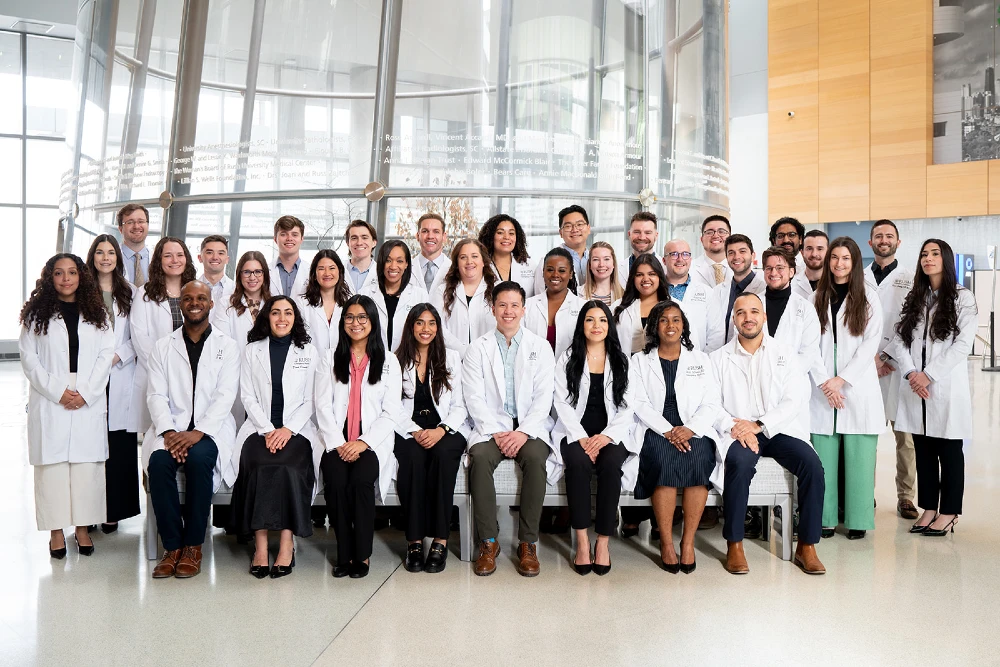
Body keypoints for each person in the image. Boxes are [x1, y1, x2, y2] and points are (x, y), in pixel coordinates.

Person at [710, 293, 826, 575]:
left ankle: (807, 545)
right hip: (739, 432)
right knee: (739, 464)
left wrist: (759, 425)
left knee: (813, 466)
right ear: (734, 320)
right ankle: (734, 543)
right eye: (741, 313)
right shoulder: (717, 358)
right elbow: (710, 403)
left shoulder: (785, 355)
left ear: (764, 317)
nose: (748, 317)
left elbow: (794, 400)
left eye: (754, 312)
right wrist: (737, 426)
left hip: (778, 429)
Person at [20, 254, 115, 559]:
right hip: (51, 396)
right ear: (50, 277)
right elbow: (29, 358)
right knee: (53, 468)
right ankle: (57, 532)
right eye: (59, 273)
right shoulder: (36, 315)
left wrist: (84, 392)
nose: (65, 279)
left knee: (86, 467)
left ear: (80, 276)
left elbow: (106, 355)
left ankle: (84, 529)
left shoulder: (97, 311)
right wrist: (58, 392)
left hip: (87, 395)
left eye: (71, 272)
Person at [143, 281, 240, 579]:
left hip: (211, 430)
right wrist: (169, 431)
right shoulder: (163, 346)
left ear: (211, 304)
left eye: (201, 298)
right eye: (188, 298)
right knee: (158, 463)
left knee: (199, 460)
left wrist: (200, 432)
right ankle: (172, 547)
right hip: (171, 428)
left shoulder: (227, 346)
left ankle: (194, 545)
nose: (194, 302)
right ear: (181, 304)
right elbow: (155, 395)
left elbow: (226, 396)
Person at [884, 239, 977, 537]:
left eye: (935, 254)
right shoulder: (916, 297)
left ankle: (949, 511)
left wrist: (929, 375)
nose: (928, 259)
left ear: (946, 260)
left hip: (943, 387)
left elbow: (962, 345)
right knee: (923, 450)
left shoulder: (963, 298)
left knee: (949, 451)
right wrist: (912, 373)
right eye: (924, 254)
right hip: (915, 387)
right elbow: (898, 338)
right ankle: (929, 508)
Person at [463, 281, 556, 577]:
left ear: (524, 310)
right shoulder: (477, 348)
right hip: (491, 429)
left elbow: (544, 396)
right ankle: (488, 543)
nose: (508, 311)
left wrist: (524, 431)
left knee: (536, 459)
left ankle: (528, 544)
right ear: (492, 309)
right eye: (502, 305)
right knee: (478, 458)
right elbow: (473, 396)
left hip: (529, 428)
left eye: (515, 305)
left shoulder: (539, 347)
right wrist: (496, 432)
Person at [229, 296, 321, 578]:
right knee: (259, 466)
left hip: (297, 430)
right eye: (276, 313)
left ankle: (285, 544)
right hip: (260, 429)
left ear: (296, 318)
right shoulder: (252, 350)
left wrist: (287, 429)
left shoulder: (309, 351)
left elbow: (310, 400)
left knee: (289, 468)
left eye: (288, 313)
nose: (282, 318)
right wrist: (269, 429)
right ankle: (259, 546)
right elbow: (247, 395)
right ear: (267, 317)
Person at [315, 295, 402, 578]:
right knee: (337, 481)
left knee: (362, 480)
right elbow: (322, 405)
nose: (356, 323)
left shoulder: (388, 360)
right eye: (350, 317)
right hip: (336, 440)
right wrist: (339, 443)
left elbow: (391, 411)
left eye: (362, 317)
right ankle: (344, 552)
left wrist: (363, 443)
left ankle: (362, 554)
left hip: (370, 443)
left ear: (373, 322)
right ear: (343, 323)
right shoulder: (329, 357)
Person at [631, 301, 722, 573]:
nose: (670, 325)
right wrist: (668, 430)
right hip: (656, 426)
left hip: (692, 426)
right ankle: (667, 543)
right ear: (654, 327)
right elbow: (638, 402)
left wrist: (691, 429)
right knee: (662, 460)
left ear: (684, 326)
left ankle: (688, 542)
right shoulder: (639, 360)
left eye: (676, 320)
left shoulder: (701, 360)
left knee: (700, 457)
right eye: (664, 320)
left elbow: (711, 402)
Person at [809, 237, 884, 540]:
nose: (839, 264)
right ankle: (825, 518)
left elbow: (870, 345)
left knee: (860, 457)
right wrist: (825, 381)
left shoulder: (869, 298)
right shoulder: (817, 297)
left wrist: (843, 380)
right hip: (823, 385)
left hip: (857, 385)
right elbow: (809, 345)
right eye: (834, 258)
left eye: (846, 259)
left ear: (854, 264)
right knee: (823, 457)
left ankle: (858, 519)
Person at [552, 301, 634, 575]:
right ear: (581, 325)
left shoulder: (622, 360)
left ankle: (603, 542)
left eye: (602, 320)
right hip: (576, 431)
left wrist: (606, 437)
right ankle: (583, 542)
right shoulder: (568, 358)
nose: (596, 326)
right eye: (590, 320)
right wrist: (581, 437)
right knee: (578, 464)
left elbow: (628, 406)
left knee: (611, 466)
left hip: (611, 433)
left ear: (609, 325)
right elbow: (561, 403)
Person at [393, 304, 469, 573]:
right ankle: (414, 541)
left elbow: (461, 406)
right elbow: (390, 406)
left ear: (438, 327)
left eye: (432, 323)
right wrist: (414, 430)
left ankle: (440, 540)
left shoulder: (451, 359)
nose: (426, 329)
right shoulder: (395, 361)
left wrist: (441, 430)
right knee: (412, 459)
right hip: (409, 428)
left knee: (442, 456)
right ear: (411, 327)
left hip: (445, 428)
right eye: (420, 323)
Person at [86, 235, 141, 533]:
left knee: (117, 444)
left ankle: (112, 509)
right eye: (99, 252)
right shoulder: (81, 291)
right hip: (88, 376)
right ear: (92, 256)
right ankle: (87, 508)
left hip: (118, 373)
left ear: (118, 257)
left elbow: (138, 336)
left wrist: (116, 357)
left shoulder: (130, 292)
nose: (105, 257)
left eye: (110, 252)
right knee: (89, 444)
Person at [865, 220, 918, 520]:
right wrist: (870, 358)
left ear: (898, 242)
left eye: (889, 236)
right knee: (865, 435)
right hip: (866, 367)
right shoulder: (859, 276)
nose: (884, 240)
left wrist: (886, 356)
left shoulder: (911, 278)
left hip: (897, 367)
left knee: (905, 439)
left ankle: (906, 497)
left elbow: (912, 322)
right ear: (870, 243)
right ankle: (863, 493)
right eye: (878, 236)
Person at [131, 237, 198, 434]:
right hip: (157, 372)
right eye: (168, 255)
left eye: (179, 255)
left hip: (191, 372)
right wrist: (163, 367)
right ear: (159, 261)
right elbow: (139, 335)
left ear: (186, 259)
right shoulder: (145, 293)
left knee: (189, 432)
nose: (174, 260)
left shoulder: (196, 290)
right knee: (157, 434)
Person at [213, 251, 272, 426]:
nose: (252, 277)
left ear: (264, 275)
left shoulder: (274, 304)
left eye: (257, 272)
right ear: (239, 275)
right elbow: (222, 344)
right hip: (236, 375)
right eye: (247, 272)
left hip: (267, 376)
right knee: (237, 429)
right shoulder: (226, 304)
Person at [761, 246, 824, 383]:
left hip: (791, 384)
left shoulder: (806, 308)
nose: (773, 272)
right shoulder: (753, 304)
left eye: (779, 268)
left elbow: (808, 353)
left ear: (791, 272)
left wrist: (781, 377)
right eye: (769, 268)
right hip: (758, 380)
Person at [431, 239, 497, 359]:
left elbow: (504, 325)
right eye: (463, 257)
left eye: (475, 256)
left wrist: (480, 353)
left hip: (489, 357)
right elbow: (437, 325)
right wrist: (464, 351)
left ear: (483, 261)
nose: (469, 262)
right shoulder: (442, 291)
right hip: (452, 359)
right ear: (456, 263)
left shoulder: (499, 290)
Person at [359, 240, 429, 352]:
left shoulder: (420, 296)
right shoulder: (364, 294)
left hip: (407, 361)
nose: (393, 266)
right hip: (373, 361)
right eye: (388, 260)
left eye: (399, 261)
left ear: (406, 264)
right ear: (381, 263)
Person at [705, 234, 765, 352]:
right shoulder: (718, 291)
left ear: (753, 255)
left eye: (742, 251)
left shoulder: (764, 288)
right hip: (722, 359)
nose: (736, 257)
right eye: (731, 253)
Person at [524, 247, 585, 361]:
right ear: (543, 272)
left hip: (569, 374)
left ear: (571, 274)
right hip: (534, 374)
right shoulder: (527, 306)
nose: (555, 275)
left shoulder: (583, 307)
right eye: (550, 269)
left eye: (562, 270)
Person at [613, 254, 671, 355]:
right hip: (626, 367)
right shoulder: (617, 307)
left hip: (661, 367)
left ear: (659, 277)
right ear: (633, 278)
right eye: (639, 275)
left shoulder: (675, 307)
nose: (645, 279)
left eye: (652, 274)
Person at [297, 249, 351, 353]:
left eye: (332, 268)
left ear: (339, 271)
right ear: (314, 273)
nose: (327, 273)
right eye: (321, 269)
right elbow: (300, 340)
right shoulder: (302, 303)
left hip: (344, 364)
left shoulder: (350, 302)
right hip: (312, 365)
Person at [662, 238, 711, 351]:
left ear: (690, 259)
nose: (680, 259)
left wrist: (703, 361)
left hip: (698, 359)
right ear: (664, 260)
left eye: (685, 254)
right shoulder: (654, 291)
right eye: (674, 254)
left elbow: (716, 334)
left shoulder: (707, 293)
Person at [533, 205, 590, 294]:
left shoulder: (597, 259)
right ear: (560, 233)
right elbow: (540, 295)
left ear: (588, 228)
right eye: (568, 226)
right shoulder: (548, 261)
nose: (574, 230)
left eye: (579, 224)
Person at [478, 213, 535, 298]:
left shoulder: (530, 266)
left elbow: (538, 298)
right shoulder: (479, 265)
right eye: (500, 232)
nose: (506, 237)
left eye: (511, 233)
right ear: (490, 236)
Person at [618, 211, 664, 289]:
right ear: (629, 234)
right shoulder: (617, 269)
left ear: (656, 236)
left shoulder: (666, 268)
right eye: (637, 232)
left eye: (648, 233)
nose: (642, 237)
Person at [769, 217, 811, 300]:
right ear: (774, 241)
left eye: (791, 235)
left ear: (800, 239)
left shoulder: (809, 268)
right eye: (780, 236)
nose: (786, 240)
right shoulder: (768, 271)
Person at [269, 216, 309, 298]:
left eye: (294, 235)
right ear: (275, 239)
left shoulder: (311, 272)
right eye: (283, 234)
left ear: (302, 239)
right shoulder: (265, 271)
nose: (289, 238)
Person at [690, 215, 732, 289]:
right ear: (701, 239)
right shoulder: (690, 269)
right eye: (709, 232)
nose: (715, 235)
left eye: (721, 231)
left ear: (730, 238)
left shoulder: (741, 268)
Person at [414, 212, 450, 293]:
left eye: (436, 231)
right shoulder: (406, 269)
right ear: (417, 236)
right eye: (425, 231)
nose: (430, 236)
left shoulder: (453, 269)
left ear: (444, 237)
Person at [117, 203, 151, 286]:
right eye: (130, 222)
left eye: (141, 221)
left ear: (147, 225)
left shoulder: (159, 259)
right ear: (120, 229)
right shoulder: (111, 259)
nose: (136, 226)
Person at [197, 235, 235, 307]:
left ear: (227, 259)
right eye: (209, 252)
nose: (215, 257)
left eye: (220, 253)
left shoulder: (236, 290)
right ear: (200, 258)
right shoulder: (190, 289)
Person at [583, 241, 624, 305]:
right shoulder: (578, 294)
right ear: (590, 265)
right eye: (596, 259)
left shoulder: (624, 295)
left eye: (606, 259)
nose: (601, 264)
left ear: (613, 264)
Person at [345, 219, 379, 294]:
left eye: (364, 237)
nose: (359, 243)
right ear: (347, 243)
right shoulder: (339, 271)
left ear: (374, 242)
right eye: (354, 238)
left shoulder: (381, 273)